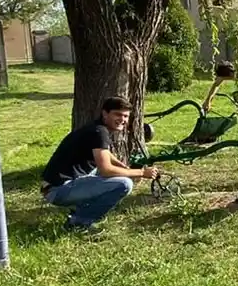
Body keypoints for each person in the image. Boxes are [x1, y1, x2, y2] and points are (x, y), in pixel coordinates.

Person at [40, 96, 159, 233]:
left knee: (110, 173)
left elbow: (105, 154)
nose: (122, 120)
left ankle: (84, 209)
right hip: (58, 190)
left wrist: (123, 167)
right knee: (124, 184)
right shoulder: (100, 132)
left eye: (126, 116)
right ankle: (78, 222)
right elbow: (106, 170)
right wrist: (142, 173)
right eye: (117, 114)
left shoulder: (96, 128)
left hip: (52, 186)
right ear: (105, 113)